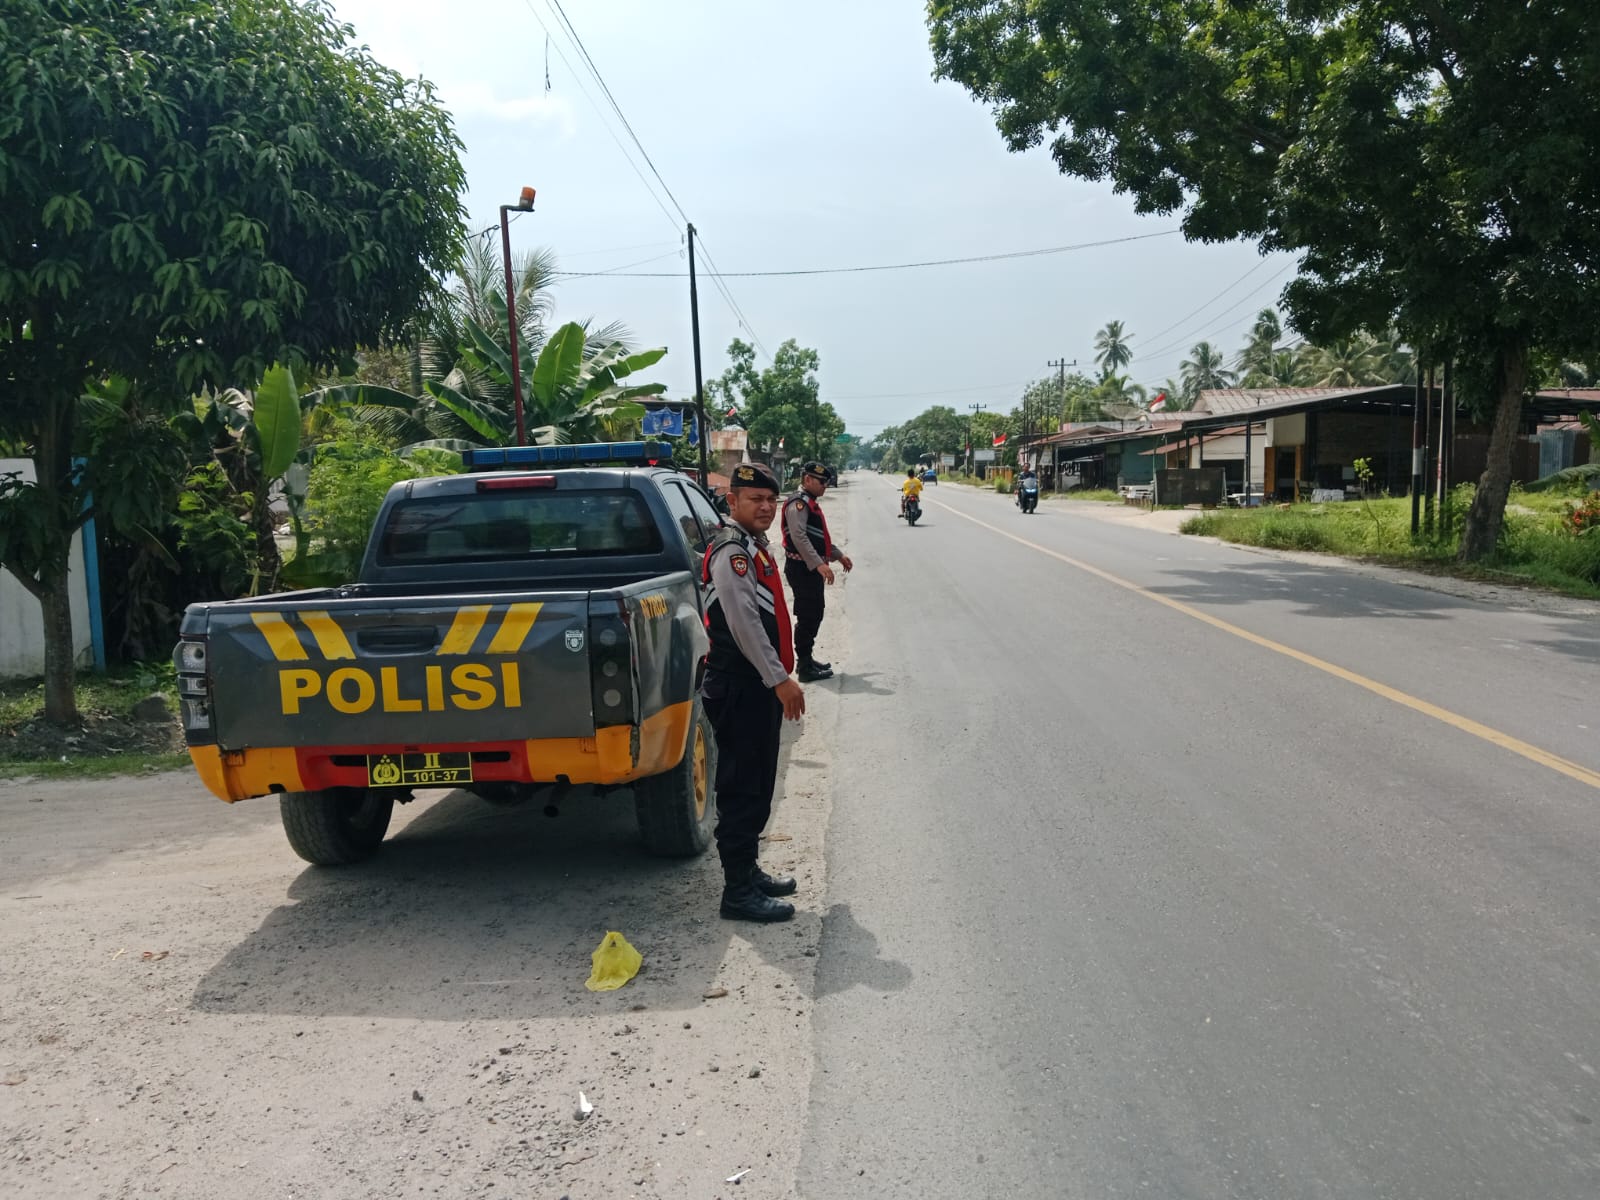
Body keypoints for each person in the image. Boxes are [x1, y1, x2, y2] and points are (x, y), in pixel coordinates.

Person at [701, 461, 806, 923]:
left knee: (759, 784)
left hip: (754, 686)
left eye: (771, 500)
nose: (765, 507)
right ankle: (737, 893)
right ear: (733, 502)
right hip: (741, 687)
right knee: (743, 788)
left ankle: (747, 871)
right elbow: (744, 623)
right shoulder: (732, 552)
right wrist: (779, 679)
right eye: (755, 500)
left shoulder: (752, 546)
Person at [782, 460, 853, 682]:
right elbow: (799, 537)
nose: (825, 485)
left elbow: (817, 538)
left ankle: (807, 658)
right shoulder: (799, 504)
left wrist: (837, 554)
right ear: (807, 480)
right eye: (821, 481)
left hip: (808, 568)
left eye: (826, 481)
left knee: (815, 612)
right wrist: (819, 564)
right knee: (808, 614)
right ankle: (804, 667)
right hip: (801, 568)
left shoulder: (810, 502)